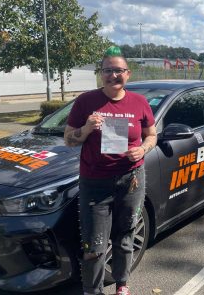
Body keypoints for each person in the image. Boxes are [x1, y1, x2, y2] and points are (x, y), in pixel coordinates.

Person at [64, 46, 157, 295]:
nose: (113, 75)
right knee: (94, 244)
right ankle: (92, 291)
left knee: (125, 234)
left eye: (118, 70)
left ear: (128, 74)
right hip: (95, 181)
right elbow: (68, 140)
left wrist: (143, 150)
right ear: (100, 73)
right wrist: (85, 129)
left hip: (132, 179)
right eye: (107, 70)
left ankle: (122, 284)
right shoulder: (86, 101)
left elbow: (152, 135)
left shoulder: (139, 102)